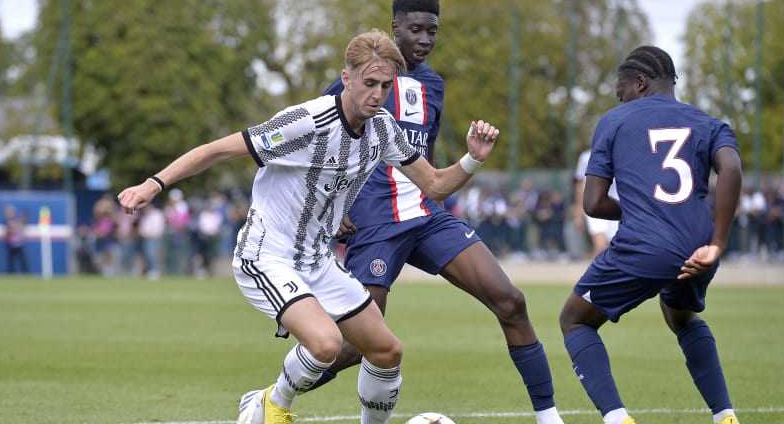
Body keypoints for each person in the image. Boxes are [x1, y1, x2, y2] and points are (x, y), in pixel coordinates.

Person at [117, 28, 501, 424]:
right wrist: (154, 183)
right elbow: (217, 150)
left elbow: (435, 184)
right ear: (347, 78)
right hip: (266, 255)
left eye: (386, 85)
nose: (377, 93)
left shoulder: (382, 127)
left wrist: (472, 159)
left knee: (387, 352)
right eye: (369, 83)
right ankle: (269, 404)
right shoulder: (307, 122)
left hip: (317, 260)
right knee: (325, 343)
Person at [312, 0, 565, 424]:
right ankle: (270, 397)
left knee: (511, 302)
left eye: (432, 31)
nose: (425, 39)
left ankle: (549, 418)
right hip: (375, 223)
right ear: (395, 29)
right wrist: (330, 208)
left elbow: (423, 157)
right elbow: (317, 142)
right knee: (356, 345)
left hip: (429, 218)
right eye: (415, 30)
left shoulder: (433, 85)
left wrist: (468, 159)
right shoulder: (358, 80)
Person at [558, 45, 742, 424]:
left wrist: (647, 213)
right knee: (682, 318)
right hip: (699, 247)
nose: (619, 97)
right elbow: (732, 170)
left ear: (639, 82)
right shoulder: (709, 123)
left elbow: (592, 204)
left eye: (620, 89)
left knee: (575, 320)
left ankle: (617, 418)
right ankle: (725, 415)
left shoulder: (614, 121)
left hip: (643, 245)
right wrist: (718, 243)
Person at [573, 148, 619, 257]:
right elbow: (580, 184)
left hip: (616, 205)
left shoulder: (620, 154)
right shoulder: (586, 157)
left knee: (611, 246)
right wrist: (578, 210)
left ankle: (604, 272)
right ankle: (597, 273)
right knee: (600, 245)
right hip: (596, 203)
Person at [3, 204, 29, 274]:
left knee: (22, 261)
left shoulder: (16, 220)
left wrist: (20, 223)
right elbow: (11, 228)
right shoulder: (7, 221)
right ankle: (10, 274)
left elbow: (20, 228)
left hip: (19, 244)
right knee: (11, 261)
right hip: (11, 244)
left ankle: (26, 274)